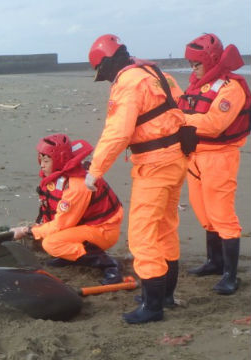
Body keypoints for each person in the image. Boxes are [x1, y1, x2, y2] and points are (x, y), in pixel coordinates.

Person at [86, 34, 190, 324]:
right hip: (176, 159)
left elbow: (118, 132)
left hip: (155, 165)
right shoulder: (158, 73)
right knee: (166, 227)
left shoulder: (127, 84)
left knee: (143, 235)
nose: (106, 79)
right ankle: (164, 295)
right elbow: (181, 108)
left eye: (103, 74)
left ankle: (153, 307)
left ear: (106, 65)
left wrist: (95, 171)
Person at [178, 34, 250, 295]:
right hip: (194, 156)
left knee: (222, 215)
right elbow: (194, 116)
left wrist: (178, 120)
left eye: (196, 62)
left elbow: (214, 124)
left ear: (210, 60)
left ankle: (230, 275)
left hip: (219, 157)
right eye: (190, 63)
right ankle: (214, 261)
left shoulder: (231, 88)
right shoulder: (198, 85)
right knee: (204, 213)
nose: (192, 68)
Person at [11, 133, 124, 285]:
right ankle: (70, 255)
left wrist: (27, 231)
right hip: (85, 224)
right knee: (49, 236)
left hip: (103, 229)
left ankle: (109, 264)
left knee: (51, 243)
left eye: (46, 160)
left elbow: (60, 224)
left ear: (60, 160)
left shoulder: (77, 186)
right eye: (41, 160)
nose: (41, 165)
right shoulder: (62, 176)